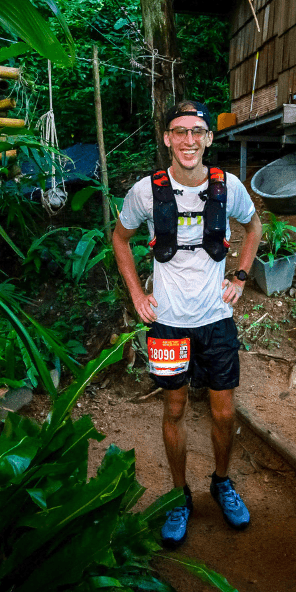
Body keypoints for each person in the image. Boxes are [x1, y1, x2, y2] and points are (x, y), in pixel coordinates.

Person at [111, 101, 263, 549]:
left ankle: (221, 481)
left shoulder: (227, 186)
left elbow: (253, 227)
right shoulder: (146, 191)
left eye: (197, 131)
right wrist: (138, 294)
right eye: (180, 132)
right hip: (169, 325)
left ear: (209, 138)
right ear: (167, 139)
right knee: (174, 410)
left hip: (217, 321)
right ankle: (179, 496)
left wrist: (240, 275)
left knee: (223, 411)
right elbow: (120, 238)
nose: (189, 140)